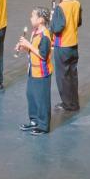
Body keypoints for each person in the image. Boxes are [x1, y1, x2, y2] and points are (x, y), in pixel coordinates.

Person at [16, 7, 53, 135]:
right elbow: (33, 50)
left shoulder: (45, 36)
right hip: (32, 71)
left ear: (41, 20)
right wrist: (24, 48)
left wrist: (28, 45)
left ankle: (43, 126)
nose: (31, 18)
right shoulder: (35, 32)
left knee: (41, 99)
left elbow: (42, 55)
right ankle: (34, 121)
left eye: (33, 16)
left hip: (42, 74)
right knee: (31, 96)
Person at [50, 0, 83, 112]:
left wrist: (52, 22)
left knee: (62, 77)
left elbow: (57, 28)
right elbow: (78, 22)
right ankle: (74, 103)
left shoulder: (60, 7)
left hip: (62, 46)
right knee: (72, 75)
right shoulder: (77, 4)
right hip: (73, 45)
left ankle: (67, 104)